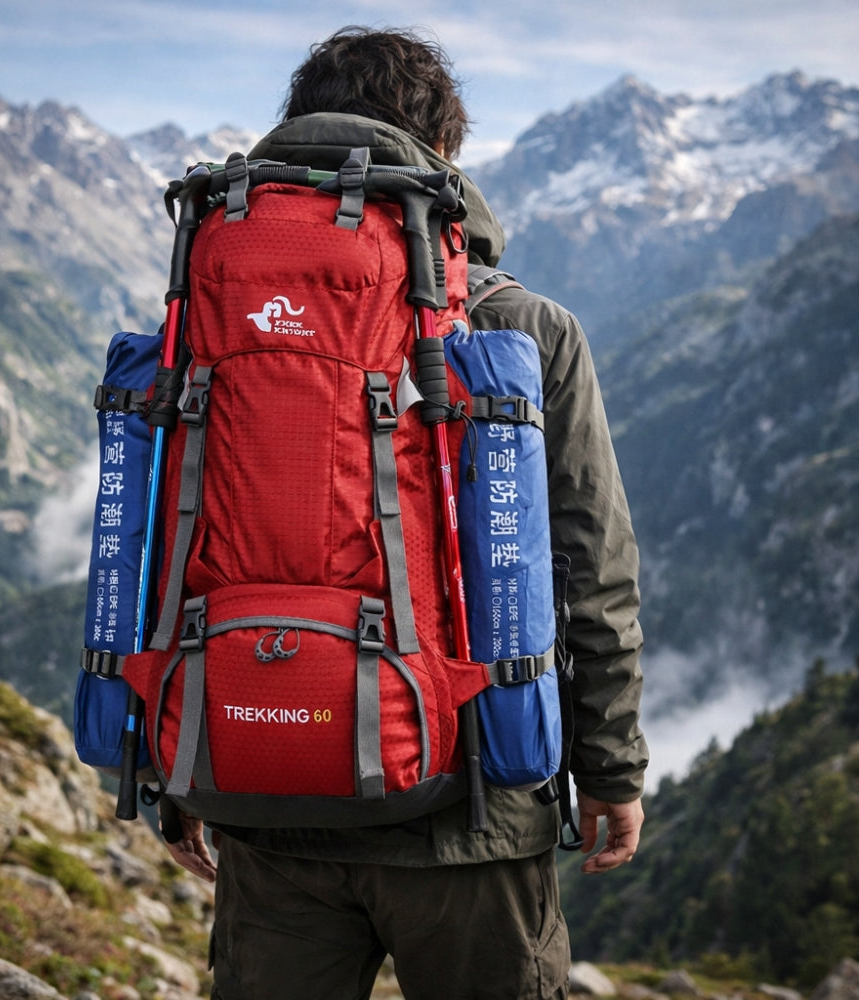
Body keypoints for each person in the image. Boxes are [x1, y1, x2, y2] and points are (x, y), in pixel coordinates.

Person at [162, 25, 648, 1000]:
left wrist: (174, 763)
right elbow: (588, 564)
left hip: (261, 776)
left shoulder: (211, 299)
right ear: (443, 156)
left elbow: (159, 537)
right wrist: (611, 767)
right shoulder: (521, 324)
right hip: (470, 809)